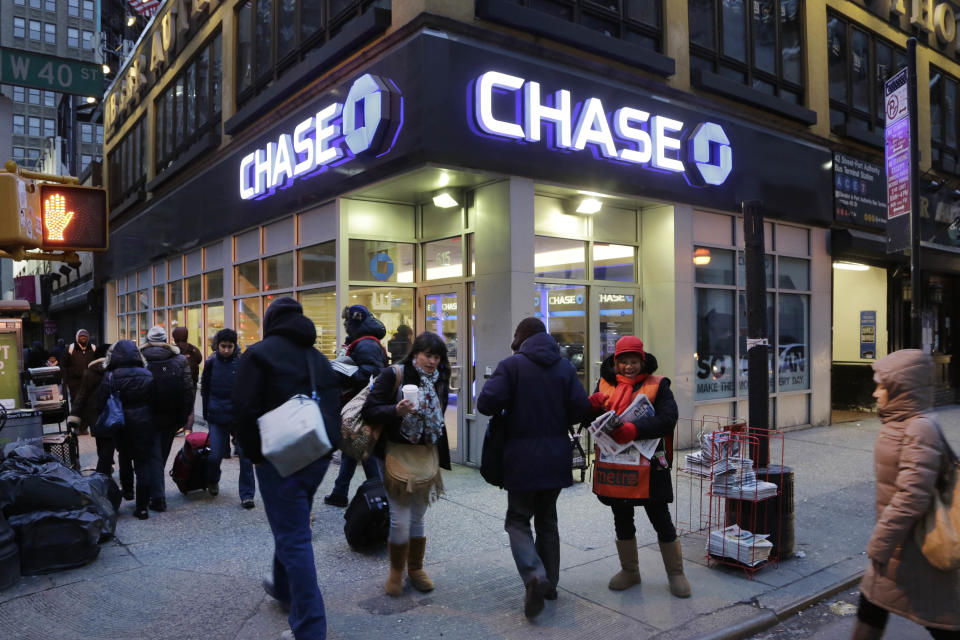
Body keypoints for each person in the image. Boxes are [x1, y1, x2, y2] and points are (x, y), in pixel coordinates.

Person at [232, 297, 341, 640]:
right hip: (315, 456)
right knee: (291, 524)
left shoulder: (259, 354)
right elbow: (335, 407)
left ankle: (310, 629)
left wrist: (255, 454)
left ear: (271, 321)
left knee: (294, 537)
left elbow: (243, 410)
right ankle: (283, 588)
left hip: (278, 459)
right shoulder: (318, 358)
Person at [477, 317, 591, 619]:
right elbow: (582, 409)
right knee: (547, 520)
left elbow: (485, 403)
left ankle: (534, 576)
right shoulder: (565, 367)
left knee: (517, 520)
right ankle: (550, 584)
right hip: (556, 457)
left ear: (521, 338)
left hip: (520, 459)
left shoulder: (511, 366)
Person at [852, 349, 960, 640]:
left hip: (920, 551)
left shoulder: (919, 428)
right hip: (898, 550)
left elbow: (912, 495)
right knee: (870, 612)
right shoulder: (898, 424)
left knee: (942, 622)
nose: (876, 393)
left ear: (903, 387)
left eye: (882, 386)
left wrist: (880, 543)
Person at [586, 335, 691, 599]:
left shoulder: (658, 386)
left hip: (649, 468)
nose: (629, 367)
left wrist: (634, 429)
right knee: (622, 518)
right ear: (615, 361)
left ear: (642, 361)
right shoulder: (603, 385)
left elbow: (669, 419)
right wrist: (589, 407)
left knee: (661, 519)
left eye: (634, 361)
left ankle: (676, 573)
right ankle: (630, 571)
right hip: (617, 466)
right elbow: (591, 420)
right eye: (623, 362)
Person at [362, 331, 451, 598]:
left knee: (417, 517)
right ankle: (395, 572)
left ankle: (415, 569)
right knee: (400, 520)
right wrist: (395, 411)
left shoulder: (441, 379)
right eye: (427, 355)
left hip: (426, 454)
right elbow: (369, 409)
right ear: (416, 354)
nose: (432, 361)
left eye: (437, 356)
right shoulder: (394, 375)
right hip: (396, 453)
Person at [323, 304, 387, 508]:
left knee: (362, 449)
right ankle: (339, 492)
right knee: (353, 448)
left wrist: (340, 372)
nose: (345, 325)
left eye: (347, 322)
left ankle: (379, 496)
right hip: (360, 402)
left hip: (361, 403)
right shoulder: (364, 341)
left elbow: (371, 374)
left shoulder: (366, 343)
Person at [69, 344, 134, 499]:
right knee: (121, 452)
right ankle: (119, 486)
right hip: (117, 415)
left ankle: (102, 485)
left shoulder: (90, 372)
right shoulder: (117, 370)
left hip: (97, 416)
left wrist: (74, 416)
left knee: (104, 450)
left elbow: (82, 395)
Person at [98, 341, 155, 519]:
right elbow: (156, 398)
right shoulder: (147, 374)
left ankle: (128, 490)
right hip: (144, 421)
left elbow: (102, 401)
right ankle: (143, 507)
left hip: (120, 422)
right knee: (143, 463)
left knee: (124, 455)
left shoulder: (111, 376)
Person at [141, 326, 194, 512]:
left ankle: (157, 497)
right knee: (161, 453)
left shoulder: (141, 358)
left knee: (154, 455)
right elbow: (188, 387)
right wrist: (186, 414)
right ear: (165, 339)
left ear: (148, 339)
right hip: (173, 415)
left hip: (150, 414)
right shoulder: (179, 359)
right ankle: (154, 489)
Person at [201, 328, 255, 509]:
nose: (225, 350)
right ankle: (213, 479)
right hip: (217, 415)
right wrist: (207, 410)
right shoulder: (211, 363)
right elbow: (205, 389)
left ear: (234, 346)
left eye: (229, 346)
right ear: (217, 346)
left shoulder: (242, 363)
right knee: (215, 455)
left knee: (246, 457)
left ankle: (247, 495)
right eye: (223, 346)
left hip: (239, 417)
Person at [63, 329, 98, 431]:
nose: (83, 338)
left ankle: (85, 427)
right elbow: (64, 365)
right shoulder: (70, 348)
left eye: (85, 336)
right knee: (76, 403)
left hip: (89, 380)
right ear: (77, 337)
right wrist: (65, 380)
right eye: (81, 336)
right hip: (74, 382)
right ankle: (76, 427)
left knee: (88, 403)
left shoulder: (93, 348)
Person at [172, 326, 202, 434]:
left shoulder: (173, 349)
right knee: (190, 406)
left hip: (177, 383)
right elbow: (199, 359)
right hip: (192, 382)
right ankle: (188, 428)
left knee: (177, 405)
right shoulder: (193, 349)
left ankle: (179, 426)